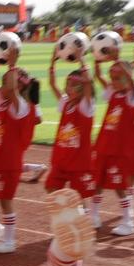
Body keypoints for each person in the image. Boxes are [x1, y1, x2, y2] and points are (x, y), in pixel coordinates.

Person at [0, 55, 37, 252]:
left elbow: (12, 89)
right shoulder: (2, 101)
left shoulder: (20, 106)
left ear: (18, 86)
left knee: (5, 201)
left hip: (8, 161)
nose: (1, 86)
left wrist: (13, 65)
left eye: (5, 83)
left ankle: (9, 240)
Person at [90, 59, 134, 235]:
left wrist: (121, 65)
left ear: (128, 78)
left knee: (120, 185)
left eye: (118, 78)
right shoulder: (112, 94)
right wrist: (96, 62)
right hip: (104, 145)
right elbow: (98, 76)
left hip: (120, 149)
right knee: (97, 181)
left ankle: (129, 220)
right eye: (112, 78)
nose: (114, 81)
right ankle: (94, 215)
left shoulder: (133, 96)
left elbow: (131, 82)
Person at [45, 57, 97, 211]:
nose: (68, 88)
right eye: (67, 84)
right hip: (61, 158)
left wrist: (82, 60)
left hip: (78, 161)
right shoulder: (66, 103)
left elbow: (88, 83)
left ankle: (84, 215)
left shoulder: (86, 106)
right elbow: (53, 85)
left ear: (82, 88)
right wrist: (52, 65)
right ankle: (71, 220)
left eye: (74, 85)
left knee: (78, 196)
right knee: (51, 188)